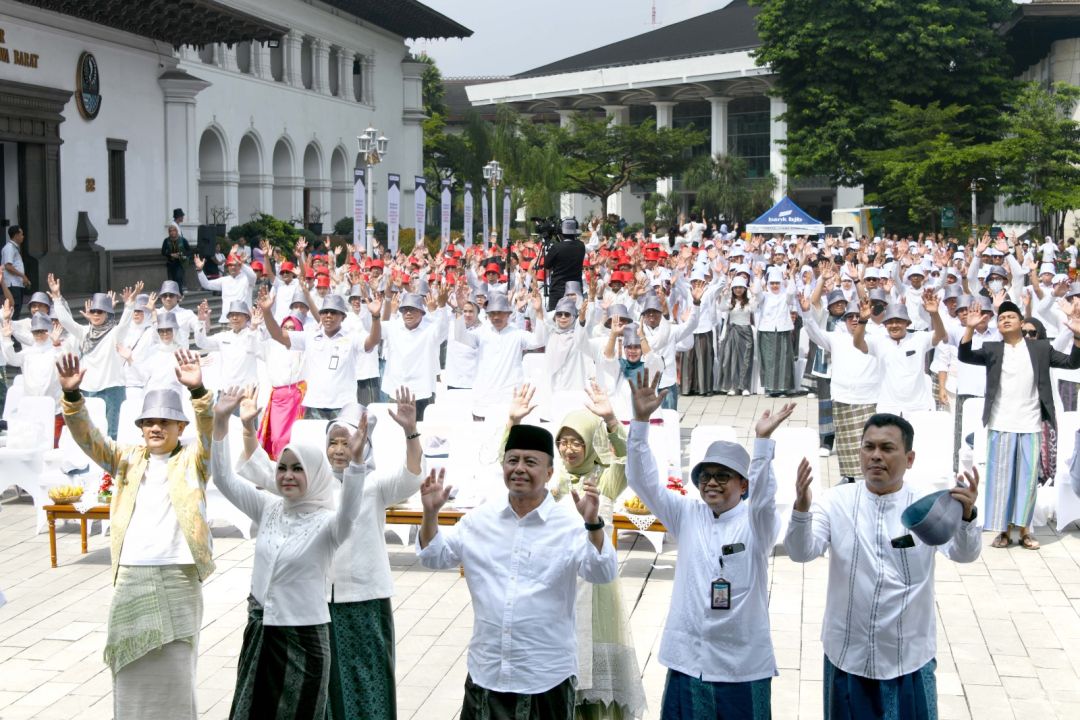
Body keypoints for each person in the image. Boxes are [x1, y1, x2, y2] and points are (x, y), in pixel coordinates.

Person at [233, 390, 424, 720]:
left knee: (367, 680)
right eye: (333, 442)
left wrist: (410, 432)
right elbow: (261, 468)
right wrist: (248, 429)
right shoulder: (308, 485)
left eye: (347, 441)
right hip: (315, 604)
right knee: (322, 686)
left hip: (365, 598)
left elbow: (411, 476)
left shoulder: (373, 484)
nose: (339, 449)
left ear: (364, 444)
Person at [786, 413, 981, 720]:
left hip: (907, 658)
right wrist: (801, 509)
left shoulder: (926, 506)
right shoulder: (836, 501)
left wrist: (967, 518)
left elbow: (963, 554)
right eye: (868, 447)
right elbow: (800, 552)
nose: (875, 456)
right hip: (847, 654)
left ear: (910, 457)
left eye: (887, 448)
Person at [416, 423, 618, 720]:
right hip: (488, 672)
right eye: (513, 460)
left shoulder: (568, 524)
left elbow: (602, 572)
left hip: (545, 677)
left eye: (530, 461)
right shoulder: (480, 520)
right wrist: (430, 514)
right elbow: (434, 556)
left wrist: (593, 525)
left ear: (550, 472)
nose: (519, 468)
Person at [56, 350, 213, 720]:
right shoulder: (126, 458)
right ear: (141, 427)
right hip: (132, 573)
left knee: (176, 668)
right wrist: (73, 398)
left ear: (180, 428)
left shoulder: (194, 460)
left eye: (165, 422)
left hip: (179, 574)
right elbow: (88, 438)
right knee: (130, 667)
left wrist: (199, 391)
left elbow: (209, 430)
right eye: (149, 422)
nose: (156, 428)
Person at [631, 369, 795, 718]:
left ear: (743, 484)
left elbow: (766, 499)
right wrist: (641, 423)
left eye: (723, 476)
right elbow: (643, 482)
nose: (712, 483)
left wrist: (763, 445)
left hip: (741, 665)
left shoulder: (757, 522)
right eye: (705, 476)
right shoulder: (686, 514)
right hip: (688, 658)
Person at [210, 387, 366, 720]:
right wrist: (221, 423)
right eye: (282, 468)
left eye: (298, 468)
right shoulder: (268, 507)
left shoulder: (328, 524)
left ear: (315, 473)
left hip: (305, 640)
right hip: (261, 632)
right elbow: (223, 479)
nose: (288, 476)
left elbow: (350, 512)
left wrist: (355, 466)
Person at [504, 381, 647, 720]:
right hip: (557, 587)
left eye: (576, 441)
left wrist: (612, 420)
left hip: (597, 592)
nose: (568, 449)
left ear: (590, 442)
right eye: (563, 442)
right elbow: (511, 471)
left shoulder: (605, 479)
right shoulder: (551, 483)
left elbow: (631, 462)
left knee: (594, 673)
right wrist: (512, 425)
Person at [958, 299, 1080, 549]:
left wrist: (1078, 336)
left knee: (1027, 480)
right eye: (1001, 318)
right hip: (1000, 423)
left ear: (1021, 323)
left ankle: (1024, 530)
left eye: (1010, 317)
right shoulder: (993, 349)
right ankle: (1002, 531)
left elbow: (1072, 363)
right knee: (1000, 480)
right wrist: (969, 329)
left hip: (1031, 424)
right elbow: (965, 355)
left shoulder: (1041, 349)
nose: (1005, 320)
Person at [260, 291, 381, 420]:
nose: (328, 316)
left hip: (343, 407)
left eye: (333, 312)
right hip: (314, 406)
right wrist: (267, 312)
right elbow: (278, 335)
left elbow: (373, 341)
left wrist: (375, 317)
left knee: (338, 441)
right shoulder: (310, 336)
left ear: (343, 317)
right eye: (325, 312)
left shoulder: (352, 338)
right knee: (314, 440)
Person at [52, 279, 141, 439]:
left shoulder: (114, 333)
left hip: (112, 389)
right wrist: (57, 298)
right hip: (88, 389)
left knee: (112, 433)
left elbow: (125, 324)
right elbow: (66, 322)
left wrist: (130, 304)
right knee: (88, 433)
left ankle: (111, 464)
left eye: (100, 312)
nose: (96, 315)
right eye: (93, 311)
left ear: (107, 313)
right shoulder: (84, 332)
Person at [545, 218, 587, 310]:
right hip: (575, 288)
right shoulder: (581, 246)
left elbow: (547, 265)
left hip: (558, 288)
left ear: (561, 232)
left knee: (555, 316)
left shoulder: (557, 247)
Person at [2, 225, 30, 320]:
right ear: (16, 235)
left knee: (17, 308)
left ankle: (12, 332)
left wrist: (23, 278)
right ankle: (11, 332)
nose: (23, 236)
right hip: (12, 283)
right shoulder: (9, 248)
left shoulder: (14, 248)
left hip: (16, 283)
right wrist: (23, 276)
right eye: (21, 234)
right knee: (14, 308)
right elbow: (8, 266)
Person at [161, 223, 191, 294]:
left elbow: (189, 251)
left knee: (178, 278)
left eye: (173, 230)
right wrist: (171, 254)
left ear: (176, 231)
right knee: (171, 280)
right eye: (170, 231)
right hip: (171, 263)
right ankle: (173, 294)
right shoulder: (166, 241)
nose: (172, 232)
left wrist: (181, 254)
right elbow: (163, 252)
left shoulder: (183, 240)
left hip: (180, 263)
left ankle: (180, 294)